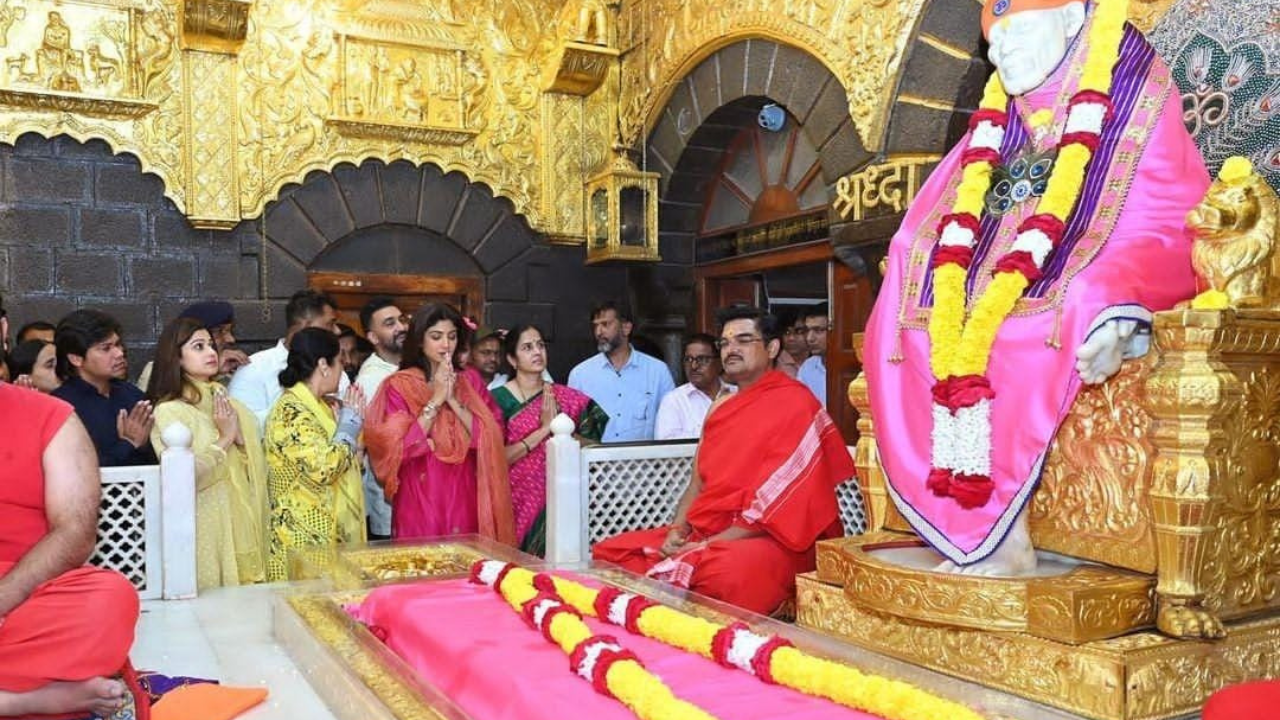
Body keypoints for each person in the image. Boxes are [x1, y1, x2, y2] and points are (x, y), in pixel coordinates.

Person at [861, 0, 1209, 573]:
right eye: (993, 44)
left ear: (1073, 20)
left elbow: (1163, 211)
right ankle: (971, 526)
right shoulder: (1003, 115)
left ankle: (1005, 539)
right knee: (912, 281)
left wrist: (1118, 296)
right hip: (997, 277)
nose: (1003, 54)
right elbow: (945, 209)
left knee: (1081, 299)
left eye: (1017, 32)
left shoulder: (1127, 85)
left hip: (1103, 260)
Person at [592, 307, 855, 615]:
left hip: (773, 538)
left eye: (743, 340)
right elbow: (697, 484)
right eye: (725, 342)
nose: (731, 349)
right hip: (709, 532)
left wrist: (710, 544)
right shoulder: (719, 408)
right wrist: (678, 531)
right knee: (609, 552)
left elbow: (781, 503)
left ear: (771, 348)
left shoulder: (798, 403)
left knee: (724, 574)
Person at [0, 380, 143, 719]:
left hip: (25, 593)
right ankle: (18, 701)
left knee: (108, 599)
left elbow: (75, 533)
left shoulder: (52, 417)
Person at [363, 303, 515, 543]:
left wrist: (453, 399)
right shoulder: (399, 386)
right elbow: (396, 449)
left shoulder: (470, 381)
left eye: (452, 337)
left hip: (464, 490)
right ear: (420, 341)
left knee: (464, 564)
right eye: (436, 337)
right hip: (420, 492)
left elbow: (490, 436)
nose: (446, 345)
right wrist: (436, 399)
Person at [147, 317, 268, 590]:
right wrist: (225, 438)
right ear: (176, 358)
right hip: (204, 524)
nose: (212, 352)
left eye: (211, 345)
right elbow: (184, 479)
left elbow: (249, 470)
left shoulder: (224, 401)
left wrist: (239, 440)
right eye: (198, 347)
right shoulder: (169, 411)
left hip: (238, 519)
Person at [491, 324, 608, 555]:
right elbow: (495, 459)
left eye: (540, 345)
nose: (537, 352)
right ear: (513, 360)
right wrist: (545, 429)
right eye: (527, 347)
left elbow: (594, 447)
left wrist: (567, 434)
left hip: (562, 499)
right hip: (513, 501)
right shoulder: (496, 400)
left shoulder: (568, 398)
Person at [263, 328, 367, 580]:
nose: (343, 369)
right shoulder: (291, 411)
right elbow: (324, 468)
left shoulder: (320, 405)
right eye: (340, 361)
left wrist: (347, 425)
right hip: (303, 534)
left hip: (325, 530)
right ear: (323, 364)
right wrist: (349, 425)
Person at [229, 289, 349, 430]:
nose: (337, 331)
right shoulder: (254, 368)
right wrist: (310, 403)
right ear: (306, 326)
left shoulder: (337, 372)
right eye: (330, 323)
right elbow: (241, 428)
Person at [51, 309, 157, 467]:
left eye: (118, 344)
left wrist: (141, 445)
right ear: (76, 359)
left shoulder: (131, 395)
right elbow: (79, 469)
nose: (119, 353)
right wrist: (128, 443)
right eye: (106, 348)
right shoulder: (61, 406)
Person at [567, 301, 675, 442]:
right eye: (596, 326)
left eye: (605, 324)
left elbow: (671, 422)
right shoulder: (580, 375)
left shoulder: (657, 371)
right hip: (595, 462)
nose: (599, 332)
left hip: (643, 462)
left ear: (626, 328)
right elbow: (569, 430)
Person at [354, 296, 408, 542]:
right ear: (373, 337)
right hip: (389, 504)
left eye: (401, 320)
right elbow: (376, 444)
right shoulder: (371, 378)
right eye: (390, 323)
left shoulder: (411, 367)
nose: (401, 327)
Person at [137, 300, 248, 390]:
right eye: (219, 332)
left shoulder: (229, 375)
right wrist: (211, 373)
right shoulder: (157, 370)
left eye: (230, 331)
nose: (231, 339)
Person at [654, 333, 734, 440]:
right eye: (688, 359)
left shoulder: (737, 394)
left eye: (702, 359)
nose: (694, 366)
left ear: (720, 363)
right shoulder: (674, 400)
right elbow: (666, 445)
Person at [795, 304, 829, 406]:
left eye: (818, 330)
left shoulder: (853, 368)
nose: (810, 338)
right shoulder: (808, 367)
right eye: (807, 331)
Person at [774, 308, 807, 379]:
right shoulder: (773, 362)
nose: (791, 338)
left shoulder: (819, 361)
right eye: (787, 332)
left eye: (799, 332)